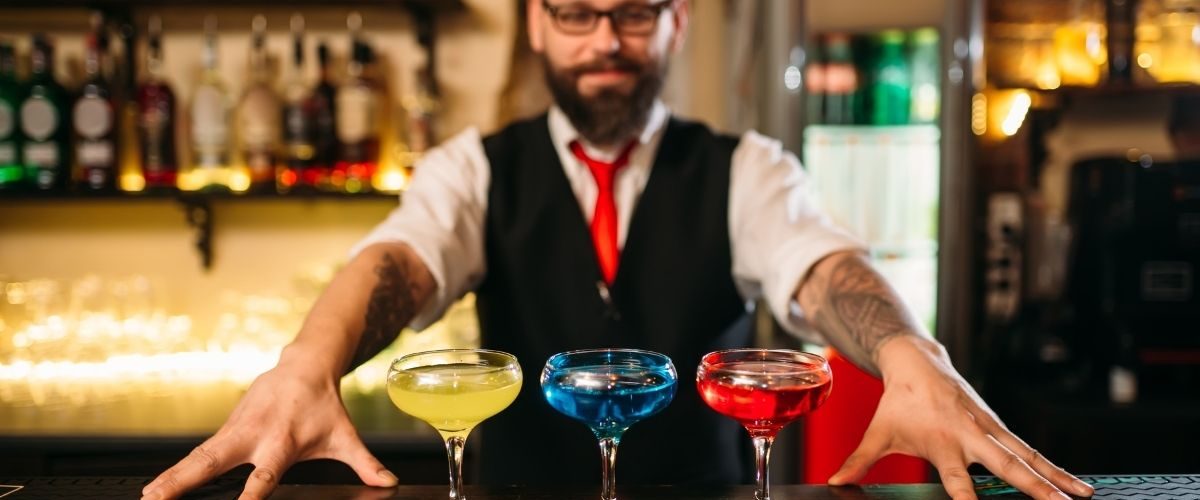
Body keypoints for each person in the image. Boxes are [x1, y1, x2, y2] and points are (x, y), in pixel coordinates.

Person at [142, 1, 1096, 499]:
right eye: (576, 15)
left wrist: (907, 353)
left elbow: (823, 268)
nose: (606, 41)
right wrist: (311, 361)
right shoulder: (473, 169)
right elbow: (401, 260)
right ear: (536, 23)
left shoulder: (746, 168)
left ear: (675, 21)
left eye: (635, 13)